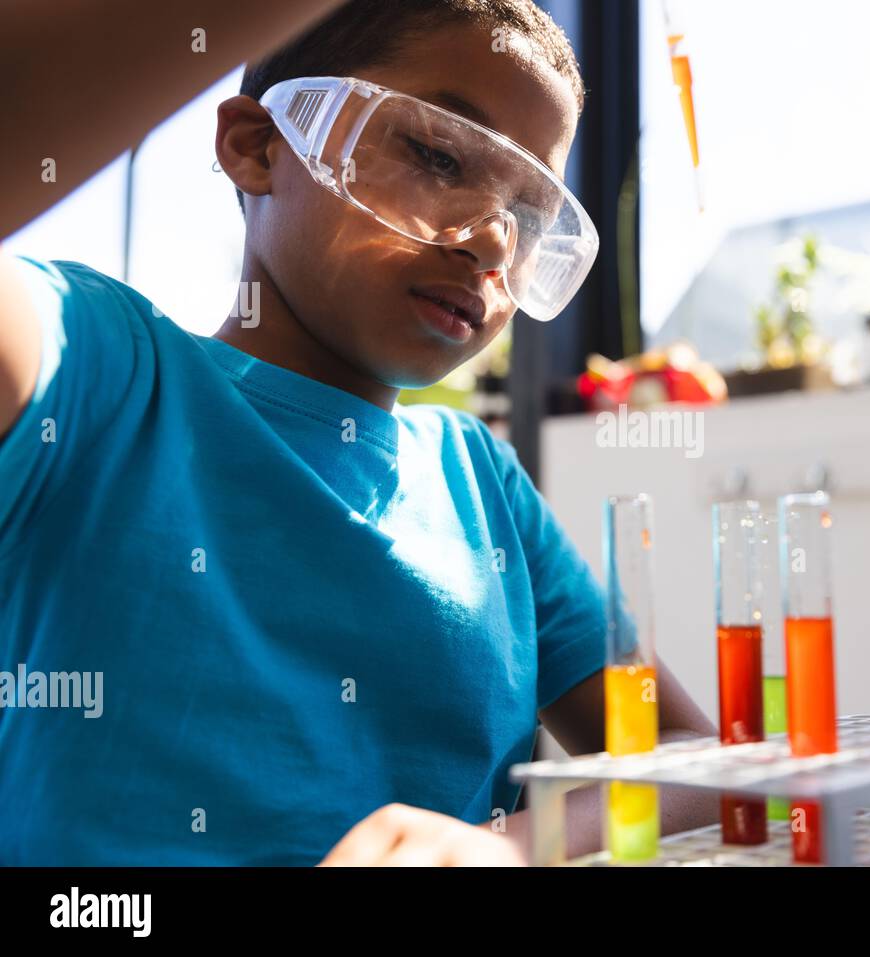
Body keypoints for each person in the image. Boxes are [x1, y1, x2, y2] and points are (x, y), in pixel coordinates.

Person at [0, 0, 717, 865]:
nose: (493, 239)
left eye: (529, 216)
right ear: (259, 147)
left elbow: (695, 761)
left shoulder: (482, 484)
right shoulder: (103, 369)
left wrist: (515, 849)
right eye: (438, 154)